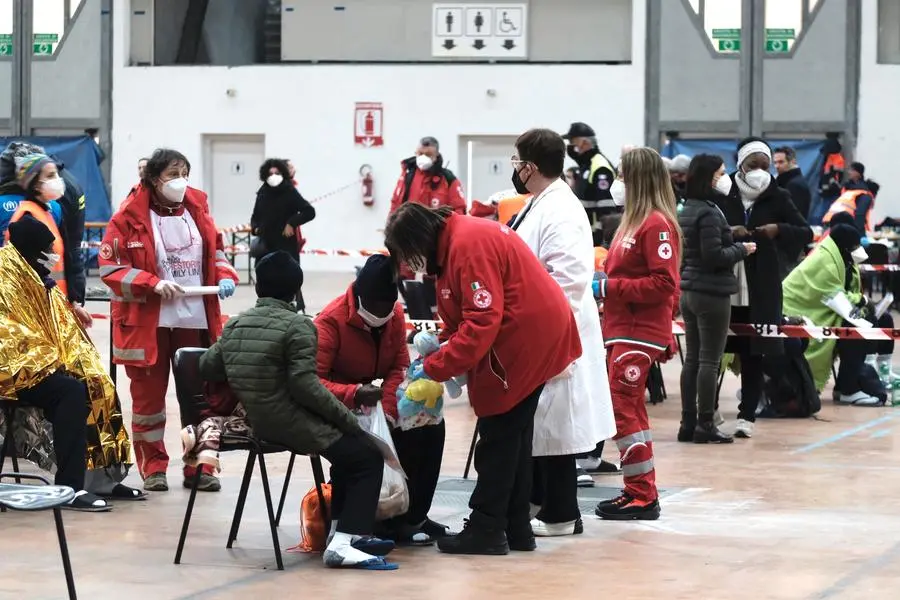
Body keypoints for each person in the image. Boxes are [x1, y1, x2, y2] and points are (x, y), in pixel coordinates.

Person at [384, 203, 582, 555]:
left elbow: (481, 322)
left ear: (417, 241)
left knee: (498, 435)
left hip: (526, 337)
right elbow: (465, 315)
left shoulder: (467, 246)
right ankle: (516, 526)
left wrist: (435, 366)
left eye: (406, 254)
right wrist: (441, 345)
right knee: (515, 435)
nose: (407, 264)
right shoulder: (453, 243)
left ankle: (486, 527)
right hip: (535, 330)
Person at [200, 251, 397, 570]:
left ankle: (340, 535)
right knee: (367, 456)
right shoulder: (298, 326)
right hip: (288, 422)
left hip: (257, 421)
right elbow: (307, 387)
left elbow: (207, 366)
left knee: (350, 454)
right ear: (296, 290)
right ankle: (344, 544)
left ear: (259, 287)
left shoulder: (235, 324)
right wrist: (348, 419)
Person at [99, 148, 240, 493]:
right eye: (172, 175)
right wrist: (153, 283)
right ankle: (153, 466)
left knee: (198, 397)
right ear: (152, 179)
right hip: (148, 323)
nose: (180, 181)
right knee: (148, 401)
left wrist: (224, 276)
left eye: (184, 173)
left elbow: (217, 251)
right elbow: (111, 269)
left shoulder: (198, 208)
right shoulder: (128, 216)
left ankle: (199, 467)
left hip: (194, 317)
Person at [506, 128, 615, 537]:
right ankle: (540, 503)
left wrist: (536, 327)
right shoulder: (539, 203)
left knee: (557, 424)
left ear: (530, 166)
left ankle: (561, 514)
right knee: (544, 423)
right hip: (542, 325)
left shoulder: (561, 209)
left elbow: (568, 277)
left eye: (517, 163)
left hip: (555, 328)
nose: (514, 170)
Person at [2, 215, 140, 510]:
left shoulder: (36, 277)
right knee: (69, 392)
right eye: (48, 252)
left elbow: (59, 328)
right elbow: (8, 333)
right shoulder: (5, 275)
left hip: (36, 365)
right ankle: (70, 487)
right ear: (31, 251)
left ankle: (103, 480)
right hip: (12, 371)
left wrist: (72, 359)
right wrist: (49, 360)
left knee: (96, 381)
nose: (53, 258)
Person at [315, 254, 450, 545]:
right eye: (376, 308)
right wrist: (353, 395)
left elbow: (398, 366)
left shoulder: (394, 316)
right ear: (359, 298)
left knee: (428, 426)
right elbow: (314, 382)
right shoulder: (330, 321)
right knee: (384, 444)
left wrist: (389, 410)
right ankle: (383, 520)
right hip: (340, 406)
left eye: (388, 308)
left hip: (375, 402)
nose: (382, 314)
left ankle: (413, 516)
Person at [593, 147, 680, 521]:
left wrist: (611, 288)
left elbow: (664, 283)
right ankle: (639, 490)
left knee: (622, 410)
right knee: (631, 412)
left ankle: (642, 495)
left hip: (638, 332)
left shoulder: (656, 224)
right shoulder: (633, 222)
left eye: (623, 176)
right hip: (622, 330)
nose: (618, 183)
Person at [717, 138, 813, 438]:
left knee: (753, 352)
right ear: (740, 165)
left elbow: (804, 232)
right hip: (724, 282)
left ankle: (747, 415)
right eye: (752, 165)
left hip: (761, 285)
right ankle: (707, 412)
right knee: (712, 350)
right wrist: (728, 232)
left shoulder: (778, 196)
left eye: (765, 165)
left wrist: (778, 230)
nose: (759, 171)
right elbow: (701, 227)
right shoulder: (724, 192)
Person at [678, 154, 755, 444]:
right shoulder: (709, 212)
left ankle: (688, 423)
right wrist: (741, 249)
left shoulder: (688, 208)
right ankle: (705, 423)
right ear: (709, 176)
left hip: (690, 291)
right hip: (711, 293)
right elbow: (713, 256)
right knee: (710, 361)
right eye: (721, 172)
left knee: (693, 361)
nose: (725, 177)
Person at [783, 224, 893, 406]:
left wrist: (863, 302)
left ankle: (877, 373)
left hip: (827, 309)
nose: (858, 250)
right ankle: (848, 388)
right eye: (855, 246)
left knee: (883, 319)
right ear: (844, 246)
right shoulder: (824, 262)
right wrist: (863, 301)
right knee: (856, 327)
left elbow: (846, 295)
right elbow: (833, 295)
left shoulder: (846, 261)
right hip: (800, 313)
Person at [0, 142, 88, 306]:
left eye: (56, 174)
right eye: (49, 176)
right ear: (35, 184)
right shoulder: (27, 218)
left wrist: (74, 302)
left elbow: (66, 256)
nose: (58, 180)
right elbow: (28, 271)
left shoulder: (51, 209)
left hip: (53, 303)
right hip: (35, 307)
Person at [250, 158, 316, 311]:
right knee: (265, 278)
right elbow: (255, 216)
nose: (273, 176)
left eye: (277, 173)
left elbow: (309, 211)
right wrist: (256, 228)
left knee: (289, 278)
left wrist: (292, 223)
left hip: (286, 245)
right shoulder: (263, 191)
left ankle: (296, 309)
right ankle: (264, 309)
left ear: (283, 173)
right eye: (270, 173)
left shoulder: (289, 190)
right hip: (266, 245)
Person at [562, 122, 618, 245]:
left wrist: (602, 238)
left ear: (584, 142)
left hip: (596, 234)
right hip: (585, 231)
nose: (571, 145)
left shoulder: (600, 167)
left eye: (573, 141)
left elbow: (606, 208)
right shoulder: (586, 164)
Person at [388, 136, 465, 216]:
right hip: (408, 225)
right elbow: (395, 203)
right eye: (420, 154)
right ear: (416, 153)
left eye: (428, 155)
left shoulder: (448, 178)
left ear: (436, 155)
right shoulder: (407, 175)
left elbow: (459, 209)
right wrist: (389, 225)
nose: (423, 157)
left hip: (437, 226)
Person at [822, 162, 877, 233]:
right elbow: (860, 214)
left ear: (858, 173)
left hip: (831, 222)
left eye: (851, 170)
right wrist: (860, 234)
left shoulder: (851, 190)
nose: (849, 172)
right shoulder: (861, 193)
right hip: (840, 224)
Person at [773, 146, 811, 220]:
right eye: (775, 162)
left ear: (793, 162)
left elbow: (794, 217)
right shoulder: (787, 182)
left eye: (781, 162)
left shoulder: (794, 185)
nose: (777, 166)